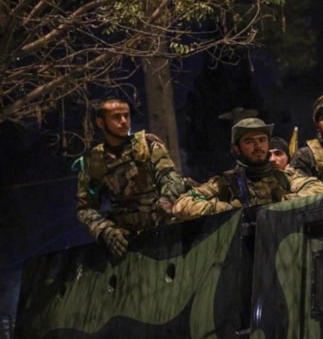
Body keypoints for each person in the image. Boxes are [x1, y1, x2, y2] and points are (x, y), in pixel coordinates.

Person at [76, 98, 187, 257]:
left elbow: (171, 178)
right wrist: (105, 230)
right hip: (127, 242)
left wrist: (166, 202)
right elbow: (85, 207)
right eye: (116, 117)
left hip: (163, 230)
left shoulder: (147, 145)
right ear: (101, 122)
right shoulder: (94, 161)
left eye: (126, 116)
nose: (123, 121)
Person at [172, 117, 291, 221]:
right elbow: (181, 205)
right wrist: (227, 210)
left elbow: (304, 191)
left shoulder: (284, 178)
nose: (258, 146)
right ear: (237, 149)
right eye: (249, 141)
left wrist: (286, 202)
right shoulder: (225, 183)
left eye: (262, 140)